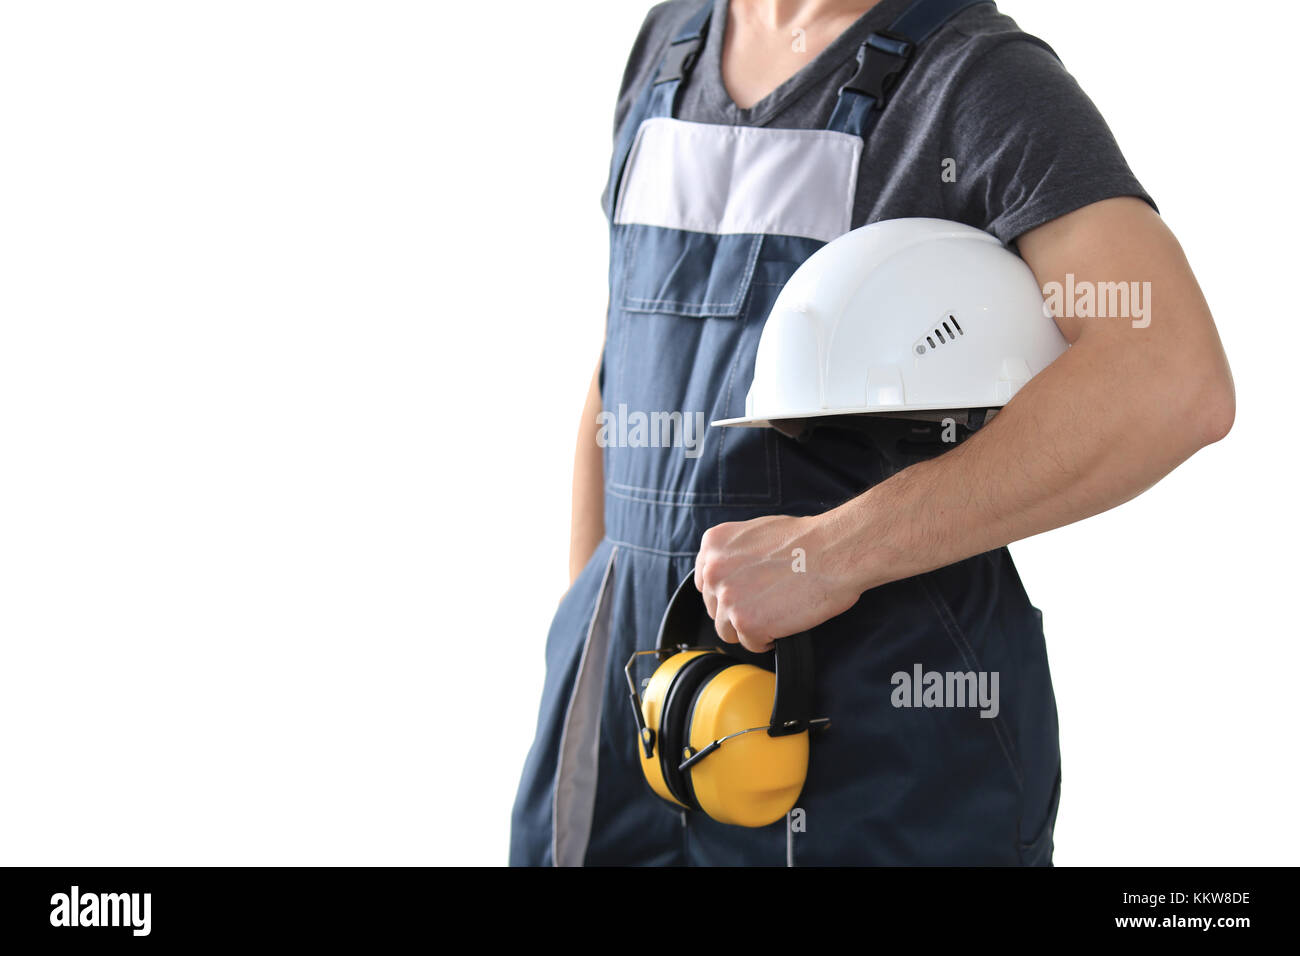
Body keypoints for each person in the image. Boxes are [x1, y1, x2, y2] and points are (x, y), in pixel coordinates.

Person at [510, 0, 1234, 866]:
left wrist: (830, 555)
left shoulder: (973, 81)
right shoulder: (671, 43)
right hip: (638, 717)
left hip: (876, 750)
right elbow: (622, 365)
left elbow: (1167, 374)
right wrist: (586, 614)